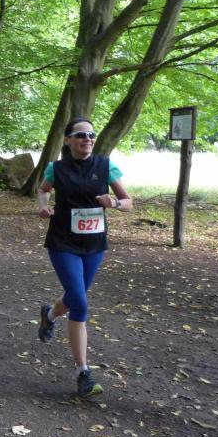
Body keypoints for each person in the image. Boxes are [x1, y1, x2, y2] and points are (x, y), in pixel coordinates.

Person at [37, 117, 132, 398]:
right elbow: (43, 190)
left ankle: (49, 314)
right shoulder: (56, 168)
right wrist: (44, 207)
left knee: (75, 295)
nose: (87, 139)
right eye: (80, 135)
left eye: (91, 135)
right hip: (63, 242)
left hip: (94, 245)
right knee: (80, 302)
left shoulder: (105, 166)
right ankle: (83, 373)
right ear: (68, 140)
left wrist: (114, 202)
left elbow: (128, 202)